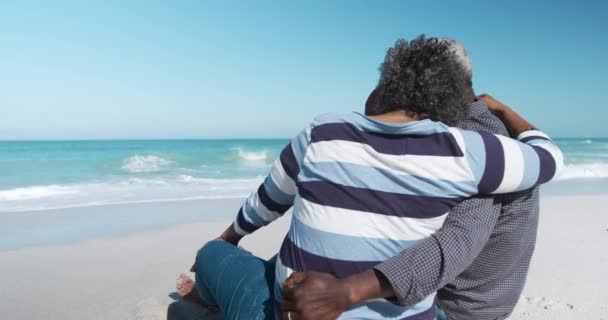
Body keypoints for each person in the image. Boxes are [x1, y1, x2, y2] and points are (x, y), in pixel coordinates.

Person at [172, 36, 563, 320]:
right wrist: (502, 107)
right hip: (420, 307)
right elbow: (549, 158)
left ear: (386, 81)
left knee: (213, 256)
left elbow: (268, 200)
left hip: (300, 310)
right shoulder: (468, 151)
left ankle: (203, 306)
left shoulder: (323, 130)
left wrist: (230, 238)